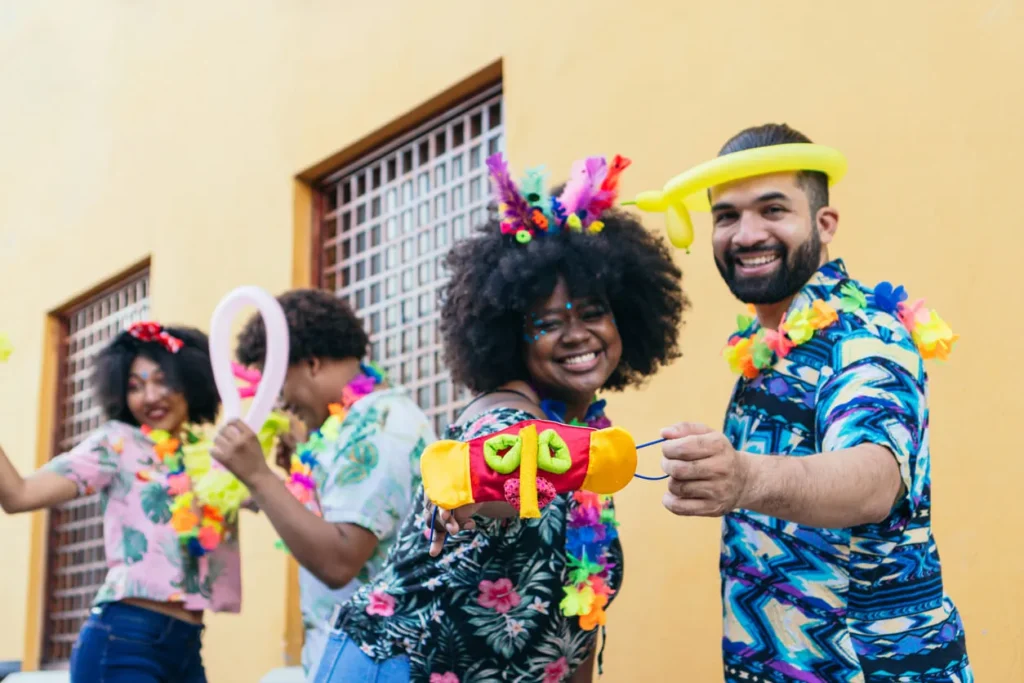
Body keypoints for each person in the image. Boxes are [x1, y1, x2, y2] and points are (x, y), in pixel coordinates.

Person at [311, 154, 687, 683]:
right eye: (548, 323)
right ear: (510, 336)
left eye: (594, 312)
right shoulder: (505, 418)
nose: (577, 334)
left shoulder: (581, 438)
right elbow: (486, 471)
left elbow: (577, 620)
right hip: (397, 668)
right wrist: (465, 492)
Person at [659, 124, 972, 682]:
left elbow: (874, 480)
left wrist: (744, 479)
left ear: (824, 224)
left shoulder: (863, 333)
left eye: (773, 209)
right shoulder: (770, 349)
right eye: (726, 216)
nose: (746, 233)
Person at [208, 288, 434, 678]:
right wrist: (277, 484)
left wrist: (259, 476)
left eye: (277, 385)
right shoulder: (353, 426)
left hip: (379, 662)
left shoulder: (378, 426)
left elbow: (338, 560)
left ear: (311, 364)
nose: (279, 403)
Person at [0, 322, 229, 682]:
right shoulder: (116, 444)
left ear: (190, 381)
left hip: (187, 646)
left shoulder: (209, 456)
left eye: (162, 380)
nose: (150, 396)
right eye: (135, 386)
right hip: (126, 641)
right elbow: (19, 495)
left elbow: (273, 501)